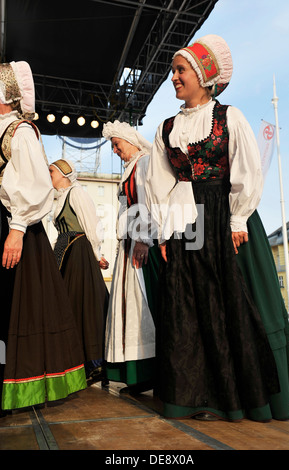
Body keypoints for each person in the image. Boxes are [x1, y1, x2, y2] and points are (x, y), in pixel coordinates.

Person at [145, 34, 289, 421]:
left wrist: (237, 220)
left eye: (181, 70)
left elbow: (245, 171)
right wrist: (165, 231)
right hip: (185, 223)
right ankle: (197, 397)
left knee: (234, 303)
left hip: (225, 216)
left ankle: (245, 398)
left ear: (203, 74)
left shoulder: (228, 117)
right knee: (190, 307)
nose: (174, 78)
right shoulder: (166, 129)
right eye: (174, 71)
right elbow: (158, 185)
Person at [0, 61, 86, 416]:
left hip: (15, 228)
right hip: (8, 224)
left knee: (17, 310)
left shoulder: (20, 131)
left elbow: (36, 186)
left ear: (6, 94)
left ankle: (19, 381)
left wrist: (17, 230)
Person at [102, 121, 160, 394]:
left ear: (131, 140)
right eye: (113, 146)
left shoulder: (144, 162)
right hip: (128, 245)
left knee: (142, 306)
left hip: (139, 244)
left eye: (117, 144)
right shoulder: (130, 168)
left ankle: (149, 372)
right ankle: (135, 375)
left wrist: (142, 239)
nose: (115, 150)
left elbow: (146, 203)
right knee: (129, 308)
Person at [49, 159, 109, 384]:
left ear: (64, 173)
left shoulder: (77, 193)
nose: (49, 176)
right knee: (70, 305)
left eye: (52, 171)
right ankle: (77, 362)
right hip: (65, 252)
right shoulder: (61, 197)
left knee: (83, 305)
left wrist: (96, 253)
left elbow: (91, 224)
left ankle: (95, 363)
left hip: (79, 252)